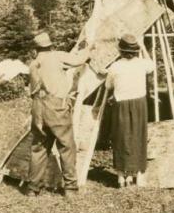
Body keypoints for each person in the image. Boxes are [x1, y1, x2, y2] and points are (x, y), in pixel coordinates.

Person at [27, 32, 91, 199]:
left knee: (39, 147)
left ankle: (33, 188)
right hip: (56, 107)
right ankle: (70, 188)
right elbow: (79, 60)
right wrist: (89, 47)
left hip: (37, 108)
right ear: (50, 45)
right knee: (67, 146)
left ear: (36, 49)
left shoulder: (33, 64)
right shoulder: (57, 56)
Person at [104, 34, 155, 188]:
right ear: (136, 51)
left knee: (121, 137)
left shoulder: (115, 66)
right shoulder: (142, 64)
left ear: (120, 51)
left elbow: (108, 86)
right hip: (139, 104)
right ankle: (138, 175)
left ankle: (121, 176)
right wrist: (143, 46)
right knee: (138, 136)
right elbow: (152, 65)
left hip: (121, 104)